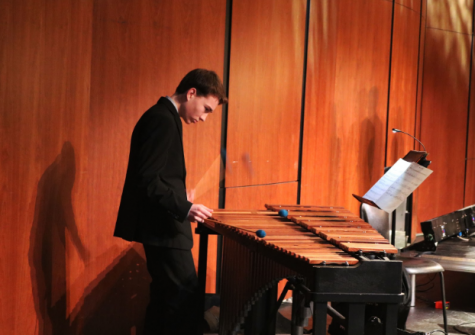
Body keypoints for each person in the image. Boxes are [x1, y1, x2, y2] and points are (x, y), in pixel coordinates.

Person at [114, 69, 227, 334]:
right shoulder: (162, 119)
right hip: (163, 229)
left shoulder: (163, 117)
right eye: (206, 109)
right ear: (191, 93)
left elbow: (156, 177)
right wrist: (184, 207)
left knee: (167, 301)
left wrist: (179, 196)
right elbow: (147, 180)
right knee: (182, 299)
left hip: (162, 226)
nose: (204, 117)